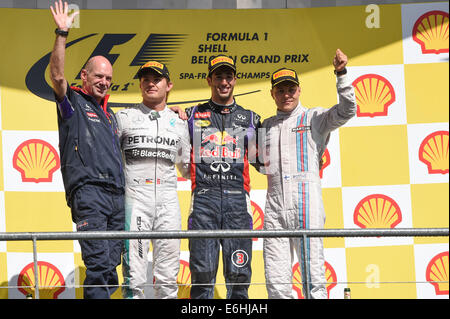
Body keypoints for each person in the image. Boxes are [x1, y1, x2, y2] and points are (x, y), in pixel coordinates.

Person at [260, 49, 356, 299]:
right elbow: (257, 162)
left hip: (306, 204)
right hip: (274, 207)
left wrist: (341, 74)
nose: (286, 94)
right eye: (280, 90)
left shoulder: (314, 117)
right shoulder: (266, 126)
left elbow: (347, 110)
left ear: (299, 90)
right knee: (276, 283)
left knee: (313, 280)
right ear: (272, 94)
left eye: (290, 89)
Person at [49, 0, 125, 299]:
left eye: (108, 78)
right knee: (97, 266)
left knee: (110, 270)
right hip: (89, 192)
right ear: (84, 76)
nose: (103, 82)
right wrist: (62, 32)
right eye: (98, 76)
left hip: (117, 195)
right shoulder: (73, 104)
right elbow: (56, 76)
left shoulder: (110, 114)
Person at [185, 55, 262, 299]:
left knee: (239, 278)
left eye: (228, 76)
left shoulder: (251, 118)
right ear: (209, 80)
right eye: (218, 76)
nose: (224, 81)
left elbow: (264, 159)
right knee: (202, 275)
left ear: (235, 80)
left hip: (238, 202)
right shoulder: (191, 115)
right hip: (203, 201)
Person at [116, 61, 190, 299]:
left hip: (168, 199)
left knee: (168, 276)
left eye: (156, 79)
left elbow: (187, 168)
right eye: (145, 79)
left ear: (168, 85)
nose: (150, 83)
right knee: (134, 275)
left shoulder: (180, 123)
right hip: (135, 199)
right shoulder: (124, 118)